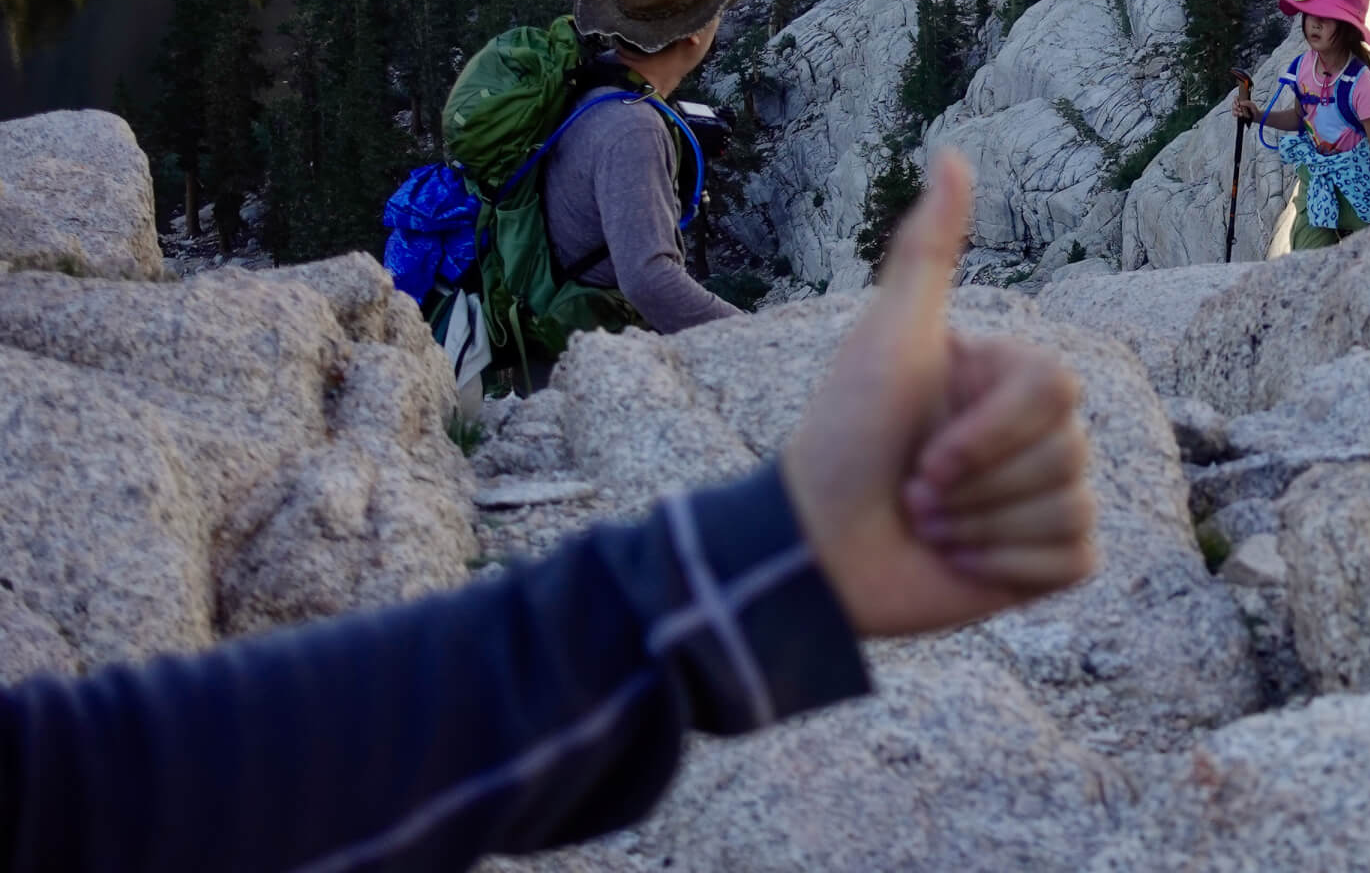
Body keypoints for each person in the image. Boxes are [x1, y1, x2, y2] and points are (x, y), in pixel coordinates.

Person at [0, 152, 1096, 873]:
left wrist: (770, 549)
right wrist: (761, 378)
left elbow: (100, 795)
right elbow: (141, 795)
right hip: (576, 349)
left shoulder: (598, 110)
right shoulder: (632, 132)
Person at [543, 0, 752, 334]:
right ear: (694, 34)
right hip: (594, 358)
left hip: (569, 324)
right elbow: (649, 281)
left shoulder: (597, 78)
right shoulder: (632, 127)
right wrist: (757, 339)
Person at [1231, 0, 1370, 250]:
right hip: (1318, 176)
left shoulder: (1362, 84)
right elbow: (1300, 120)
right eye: (1311, 15)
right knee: (1305, 257)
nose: (1314, 23)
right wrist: (1258, 115)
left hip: (1359, 182)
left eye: (1327, 17)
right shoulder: (1304, 66)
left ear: (1348, 29)